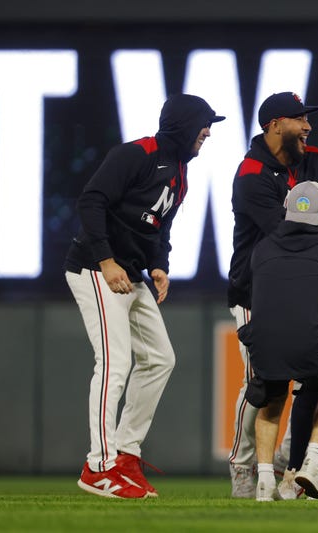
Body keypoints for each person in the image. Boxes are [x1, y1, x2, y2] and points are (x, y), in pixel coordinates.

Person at [64, 93, 223, 499]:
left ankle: (125, 453)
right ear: (184, 124)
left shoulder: (181, 172)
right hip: (96, 268)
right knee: (115, 363)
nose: (207, 131)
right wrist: (105, 260)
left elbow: (158, 227)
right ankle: (98, 466)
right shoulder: (136, 153)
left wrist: (159, 265)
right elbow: (91, 200)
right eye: (204, 124)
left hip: (132, 274)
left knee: (160, 359)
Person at [227, 91, 318, 498]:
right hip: (255, 292)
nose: (307, 126)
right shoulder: (251, 175)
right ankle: (243, 465)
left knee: (312, 375)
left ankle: (289, 464)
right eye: (298, 118)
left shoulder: (313, 158)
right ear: (274, 124)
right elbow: (288, 233)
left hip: (306, 286)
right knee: (260, 383)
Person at [237, 181, 318, 501]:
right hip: (307, 346)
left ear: (287, 210)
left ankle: (264, 480)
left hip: (262, 343)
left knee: (273, 398)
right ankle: (314, 460)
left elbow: (253, 295)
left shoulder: (262, 247)